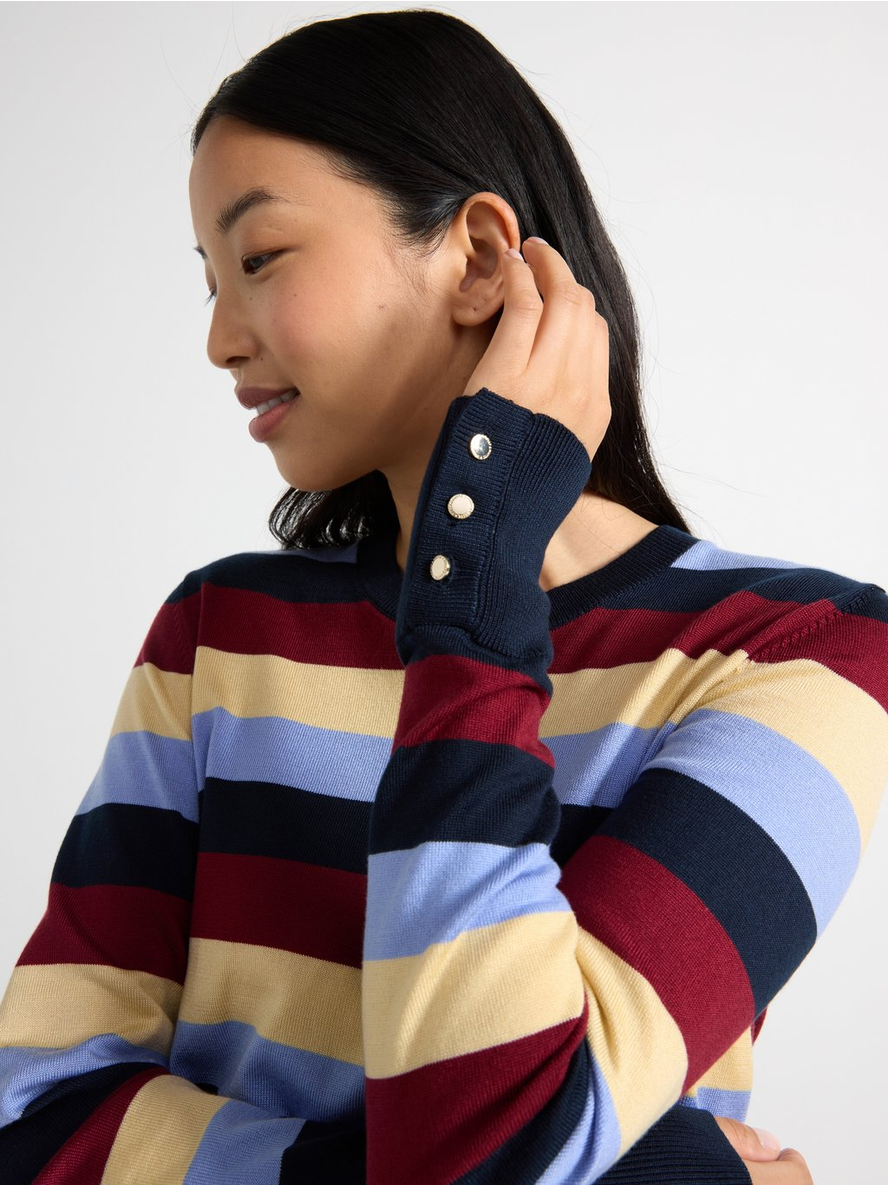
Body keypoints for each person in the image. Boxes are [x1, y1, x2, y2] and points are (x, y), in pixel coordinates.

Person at [0, 8, 880, 1183]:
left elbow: (494, 1136)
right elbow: (33, 1115)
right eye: (208, 281)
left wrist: (476, 574)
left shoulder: (804, 653)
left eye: (259, 259)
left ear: (476, 257)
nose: (218, 338)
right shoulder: (220, 635)